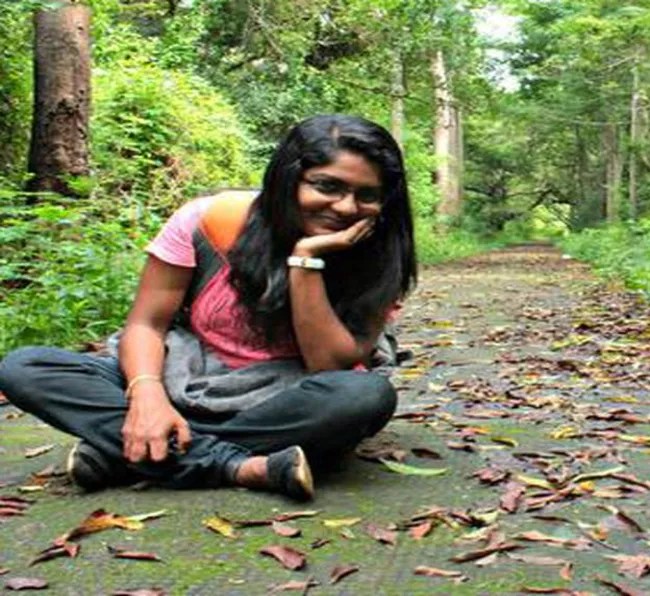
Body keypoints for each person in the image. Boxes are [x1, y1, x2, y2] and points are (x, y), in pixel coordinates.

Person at [0, 115, 416, 501]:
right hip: (181, 379)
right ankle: (238, 465)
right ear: (287, 179)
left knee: (364, 396)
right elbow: (145, 325)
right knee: (26, 366)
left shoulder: (381, 253)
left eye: (367, 195)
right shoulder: (210, 221)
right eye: (326, 186)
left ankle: (134, 453)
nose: (346, 207)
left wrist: (305, 260)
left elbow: (328, 366)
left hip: (287, 399)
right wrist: (147, 396)